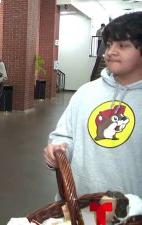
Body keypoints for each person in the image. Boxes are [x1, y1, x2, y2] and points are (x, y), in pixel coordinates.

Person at [44, 12, 142, 198]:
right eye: (109, 44)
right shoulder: (85, 93)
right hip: (79, 205)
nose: (111, 51)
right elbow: (64, 136)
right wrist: (57, 150)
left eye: (122, 45)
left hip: (131, 213)